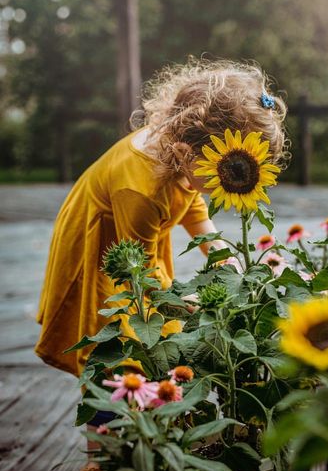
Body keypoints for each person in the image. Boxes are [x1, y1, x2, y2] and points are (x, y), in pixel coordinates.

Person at [35, 57, 288, 379]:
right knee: (113, 344)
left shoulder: (175, 151)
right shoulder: (141, 191)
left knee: (153, 332)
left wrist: (223, 258)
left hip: (135, 244)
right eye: (224, 171)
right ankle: (108, 421)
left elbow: (190, 200)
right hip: (103, 253)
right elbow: (141, 273)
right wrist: (200, 309)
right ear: (184, 153)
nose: (233, 181)